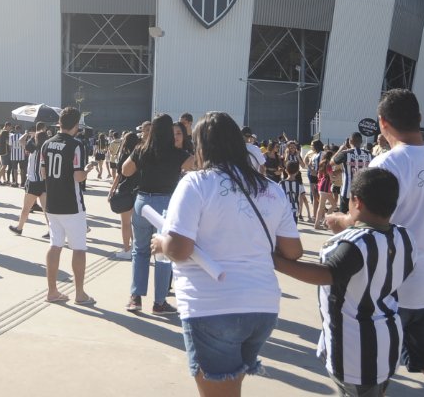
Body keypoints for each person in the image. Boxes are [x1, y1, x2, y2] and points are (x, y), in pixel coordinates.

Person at [329, 88, 424, 397]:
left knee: (370, 375)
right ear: (419, 118)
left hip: (390, 287)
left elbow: (361, 220)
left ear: (382, 122)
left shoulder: (386, 165)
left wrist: (337, 221)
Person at [153, 112, 302, 397]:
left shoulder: (196, 183)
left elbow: (179, 249)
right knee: (231, 387)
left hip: (212, 306)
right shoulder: (271, 188)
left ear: (201, 146)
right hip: (263, 305)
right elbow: (293, 251)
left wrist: (161, 243)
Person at [274, 168, 416, 396]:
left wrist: (275, 260)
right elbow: (373, 243)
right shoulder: (405, 236)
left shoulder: (356, 245)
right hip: (387, 339)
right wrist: (351, 224)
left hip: (356, 351)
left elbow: (326, 273)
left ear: (357, 201)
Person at [122, 113, 194, 315]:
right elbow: (195, 164)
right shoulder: (177, 154)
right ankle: (159, 302)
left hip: (142, 202)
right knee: (163, 255)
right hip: (165, 205)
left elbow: (125, 170)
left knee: (140, 251)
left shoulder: (142, 150)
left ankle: (135, 297)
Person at [41, 107, 97, 305]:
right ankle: (79, 294)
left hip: (52, 202)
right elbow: (78, 176)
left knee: (55, 245)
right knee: (79, 248)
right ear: (76, 124)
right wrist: (88, 169)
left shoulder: (47, 143)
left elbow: (43, 173)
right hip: (71, 203)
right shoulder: (76, 145)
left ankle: (52, 291)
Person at [9, 125, 50, 237]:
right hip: (44, 182)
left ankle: (19, 228)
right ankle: (52, 231)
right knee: (46, 209)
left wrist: (28, 133)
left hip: (33, 181)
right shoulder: (46, 150)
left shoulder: (33, 148)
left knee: (26, 208)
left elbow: (21, 141)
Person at [107, 131, 140, 260]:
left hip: (125, 191)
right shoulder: (140, 154)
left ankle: (127, 250)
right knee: (136, 223)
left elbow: (119, 175)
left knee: (125, 223)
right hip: (138, 191)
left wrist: (111, 191)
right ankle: (136, 247)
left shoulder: (125, 155)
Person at [332, 133, 373, 214]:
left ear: (350, 141)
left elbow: (331, 163)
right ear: (361, 141)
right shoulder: (368, 154)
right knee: (360, 216)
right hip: (363, 192)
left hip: (347, 191)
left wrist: (340, 149)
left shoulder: (345, 153)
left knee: (344, 215)